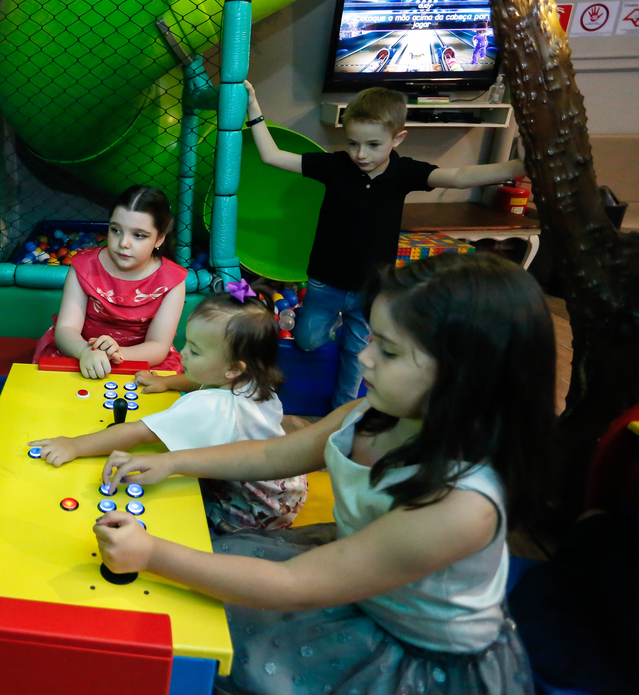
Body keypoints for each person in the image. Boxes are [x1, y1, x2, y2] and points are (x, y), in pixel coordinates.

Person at [93, 253, 552, 695]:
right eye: (372, 339)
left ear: (465, 376)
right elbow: (270, 456)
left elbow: (295, 586)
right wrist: (173, 462)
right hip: (346, 573)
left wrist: (150, 553)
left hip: (407, 653)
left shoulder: (461, 506)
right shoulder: (368, 414)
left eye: (388, 351)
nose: (364, 357)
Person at [243, 82, 526, 409]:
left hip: (372, 289)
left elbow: (460, 176)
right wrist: (253, 107)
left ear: (398, 139)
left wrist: (522, 166)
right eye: (353, 143)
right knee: (307, 341)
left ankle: (343, 412)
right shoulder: (335, 166)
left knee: (356, 353)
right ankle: (335, 324)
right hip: (325, 283)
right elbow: (273, 156)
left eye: (373, 145)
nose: (361, 154)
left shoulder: (404, 172)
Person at [30, 293, 307, 533]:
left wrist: (74, 445)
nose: (182, 354)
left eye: (195, 352)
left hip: (257, 507)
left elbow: (137, 432)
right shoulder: (253, 379)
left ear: (234, 368)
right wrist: (167, 382)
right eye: (187, 343)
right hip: (287, 482)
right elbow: (208, 378)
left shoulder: (210, 407)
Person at [33, 185, 187, 379]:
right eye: (116, 230)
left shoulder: (171, 280)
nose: (124, 243)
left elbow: (158, 346)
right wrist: (85, 351)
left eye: (139, 235)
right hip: (81, 353)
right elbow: (66, 329)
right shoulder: (84, 265)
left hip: (141, 361)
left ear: (159, 239)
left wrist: (115, 353)